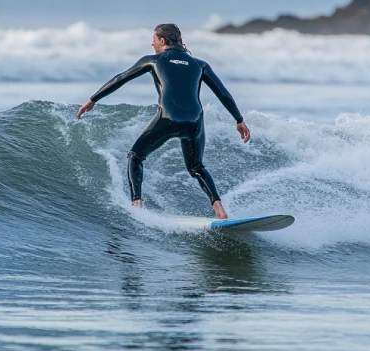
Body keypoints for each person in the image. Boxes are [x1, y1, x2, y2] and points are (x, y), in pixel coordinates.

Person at [76, 24, 250, 219]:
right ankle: (220, 210)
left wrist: (93, 99)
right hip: (194, 122)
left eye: (154, 39)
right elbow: (223, 93)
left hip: (168, 118)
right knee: (196, 168)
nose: (152, 43)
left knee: (135, 156)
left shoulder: (154, 60)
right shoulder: (200, 64)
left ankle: (137, 206)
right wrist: (239, 120)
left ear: (163, 41)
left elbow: (121, 78)